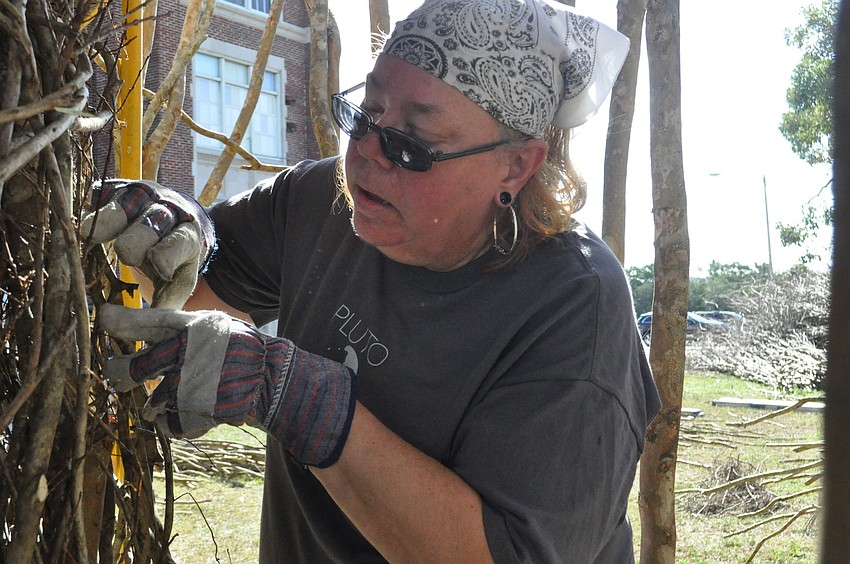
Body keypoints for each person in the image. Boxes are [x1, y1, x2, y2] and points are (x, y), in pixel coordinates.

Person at [89, 0, 660, 561]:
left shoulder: (574, 308)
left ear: (516, 165)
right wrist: (169, 230)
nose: (365, 152)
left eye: (412, 144)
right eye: (367, 113)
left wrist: (307, 404)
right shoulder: (325, 201)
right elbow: (184, 292)